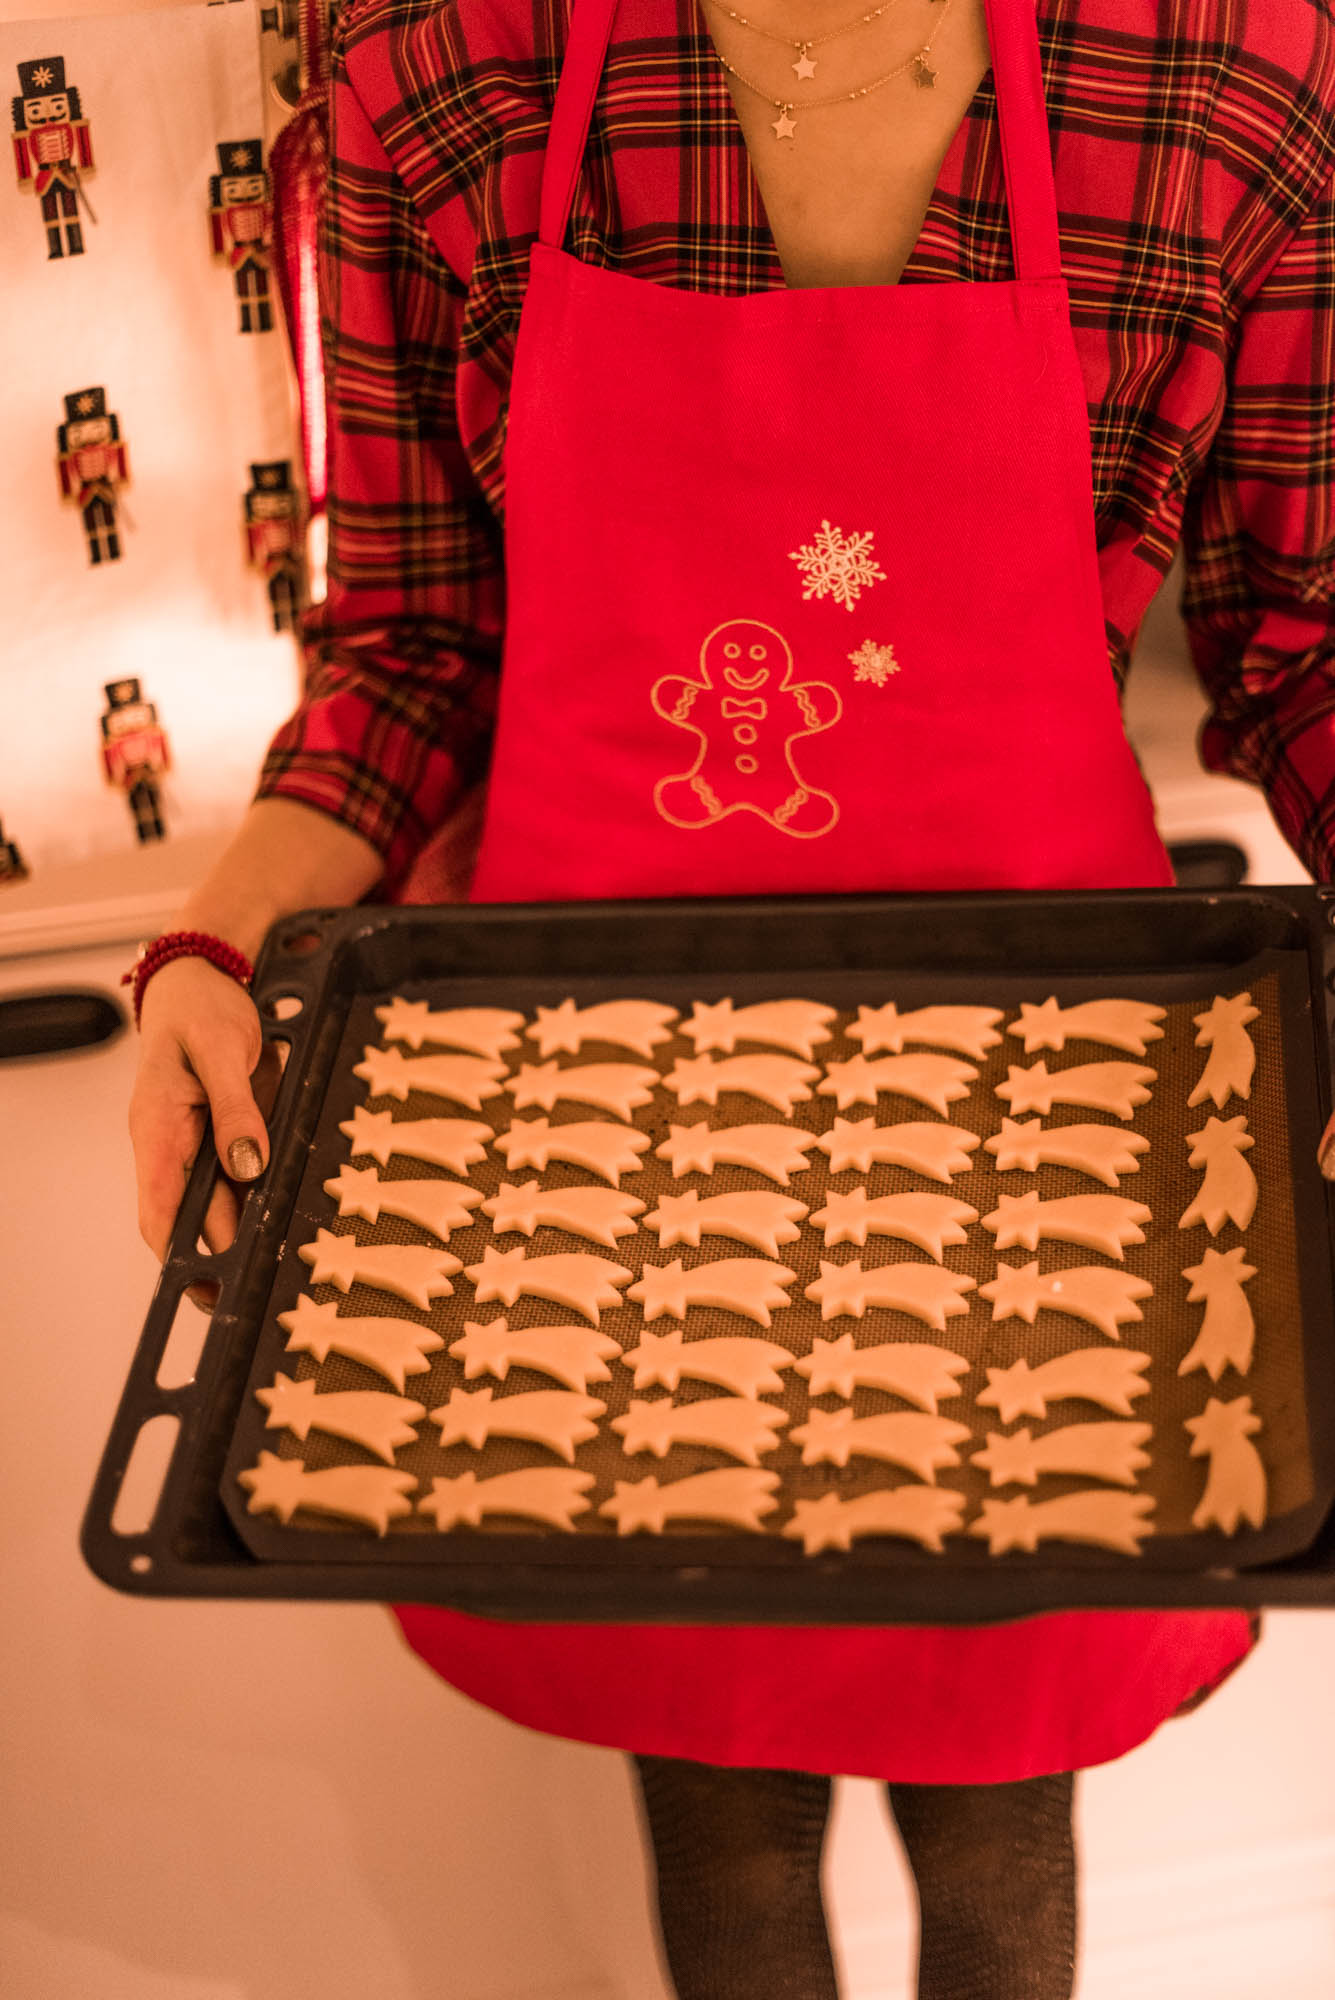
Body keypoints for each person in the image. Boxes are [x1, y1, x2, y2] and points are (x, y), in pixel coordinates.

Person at [128, 0, 1335, 1993]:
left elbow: (1299, 641)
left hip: (1044, 1141)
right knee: (724, 1820)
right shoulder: (436, 63)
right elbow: (414, 652)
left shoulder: (1221, 63)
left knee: (1000, 1817)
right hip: (589, 1142)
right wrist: (211, 947)